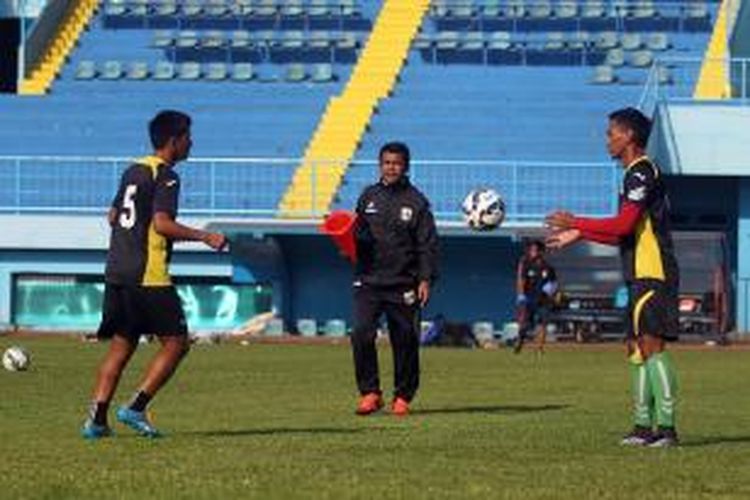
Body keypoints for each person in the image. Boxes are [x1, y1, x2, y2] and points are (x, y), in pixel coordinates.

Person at [81, 110, 226, 439]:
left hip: (118, 270)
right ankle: (135, 407)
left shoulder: (133, 170)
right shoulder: (166, 175)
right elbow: (161, 223)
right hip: (148, 272)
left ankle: (96, 421)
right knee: (176, 342)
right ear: (174, 141)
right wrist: (206, 236)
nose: (192, 142)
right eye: (188, 136)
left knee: (122, 345)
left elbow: (112, 214)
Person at [546, 107, 680, 447]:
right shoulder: (632, 175)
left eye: (611, 133)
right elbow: (625, 234)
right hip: (637, 274)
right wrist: (579, 234)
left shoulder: (641, 172)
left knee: (652, 346)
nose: (607, 140)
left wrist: (576, 222)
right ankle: (642, 426)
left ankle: (667, 429)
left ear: (629, 136)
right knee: (635, 348)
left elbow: (621, 225)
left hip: (654, 273)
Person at [351, 141, 439, 417]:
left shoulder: (417, 202)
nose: (391, 168)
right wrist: (347, 239)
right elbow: (359, 234)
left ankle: (402, 396)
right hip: (369, 280)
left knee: (405, 341)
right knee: (361, 333)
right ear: (380, 165)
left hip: (404, 284)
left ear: (406, 167)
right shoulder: (368, 196)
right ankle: (370, 393)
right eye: (387, 162)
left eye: (396, 163)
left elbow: (428, 245)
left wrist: (425, 279)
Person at [514, 240, 558, 354]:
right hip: (528, 298)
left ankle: (539, 348)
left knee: (543, 323)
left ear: (541, 252)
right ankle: (520, 341)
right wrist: (520, 295)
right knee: (524, 325)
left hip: (543, 300)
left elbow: (554, 283)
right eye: (532, 250)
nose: (533, 252)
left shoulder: (548, 267)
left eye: (536, 250)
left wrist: (550, 290)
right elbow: (521, 280)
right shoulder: (526, 264)